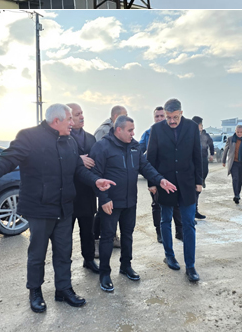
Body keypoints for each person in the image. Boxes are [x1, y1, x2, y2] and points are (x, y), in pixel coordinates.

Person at [0, 104, 115, 313]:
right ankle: (35, 291)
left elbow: (79, 169)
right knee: (37, 255)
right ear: (56, 121)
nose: (73, 123)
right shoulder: (29, 137)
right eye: (70, 119)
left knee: (64, 253)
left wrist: (95, 181)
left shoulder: (69, 141)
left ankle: (63, 289)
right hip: (40, 209)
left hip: (64, 208)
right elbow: (6, 160)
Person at [90, 115, 177, 292]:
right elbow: (96, 175)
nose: (133, 133)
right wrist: (104, 199)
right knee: (107, 237)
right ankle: (105, 273)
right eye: (130, 130)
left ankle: (126, 266)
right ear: (118, 130)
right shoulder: (102, 147)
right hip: (111, 203)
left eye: (133, 130)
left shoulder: (135, 147)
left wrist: (160, 180)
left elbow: (145, 167)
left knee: (127, 235)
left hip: (130, 201)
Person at [146, 98, 204, 282]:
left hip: (187, 183)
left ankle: (191, 266)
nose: (171, 121)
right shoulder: (156, 129)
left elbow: (197, 155)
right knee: (165, 220)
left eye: (175, 117)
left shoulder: (192, 127)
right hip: (165, 183)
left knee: (189, 224)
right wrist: (152, 182)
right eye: (168, 117)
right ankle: (169, 255)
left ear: (181, 112)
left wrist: (199, 180)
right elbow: (152, 158)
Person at [66, 103, 99, 273]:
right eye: (77, 114)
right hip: (69, 194)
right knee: (66, 235)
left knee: (88, 232)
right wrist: (78, 159)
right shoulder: (62, 138)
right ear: (69, 118)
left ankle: (89, 259)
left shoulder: (91, 138)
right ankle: (65, 265)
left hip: (87, 193)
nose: (82, 116)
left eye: (82, 113)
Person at [140, 106, 182, 242]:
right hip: (155, 176)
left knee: (176, 204)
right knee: (157, 205)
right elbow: (139, 151)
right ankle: (160, 233)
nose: (159, 119)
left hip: (173, 176)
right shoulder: (148, 133)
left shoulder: (175, 132)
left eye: (161, 116)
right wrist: (151, 182)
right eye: (156, 116)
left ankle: (180, 231)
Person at [93, 106, 128, 247]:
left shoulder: (115, 129)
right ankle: (96, 240)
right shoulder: (103, 131)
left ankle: (113, 237)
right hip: (105, 178)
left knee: (112, 210)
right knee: (103, 211)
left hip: (115, 179)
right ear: (115, 117)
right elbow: (98, 155)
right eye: (123, 116)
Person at [222, 125, 242, 204]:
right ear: (235, 131)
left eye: (241, 132)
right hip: (234, 163)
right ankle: (236, 195)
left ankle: (238, 193)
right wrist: (223, 160)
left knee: (240, 180)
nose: (239, 134)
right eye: (238, 132)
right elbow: (226, 150)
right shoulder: (230, 139)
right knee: (235, 178)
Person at [191, 116, 216, 219]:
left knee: (199, 187)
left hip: (203, 160)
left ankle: (195, 211)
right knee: (193, 189)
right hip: (192, 163)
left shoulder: (205, 135)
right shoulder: (189, 134)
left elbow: (211, 144)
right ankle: (192, 213)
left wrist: (212, 154)